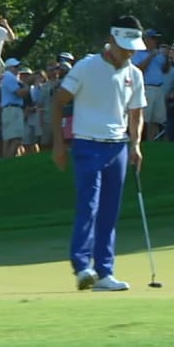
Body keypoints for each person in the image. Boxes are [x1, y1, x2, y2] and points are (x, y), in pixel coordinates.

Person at [51, 15, 147, 292]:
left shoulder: (134, 74)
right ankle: (82, 268)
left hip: (117, 146)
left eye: (133, 47)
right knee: (88, 206)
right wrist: (59, 144)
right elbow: (58, 102)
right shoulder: (86, 66)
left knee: (109, 210)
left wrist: (136, 144)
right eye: (125, 46)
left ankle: (105, 272)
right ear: (111, 39)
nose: (129, 51)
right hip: (87, 143)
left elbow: (136, 112)